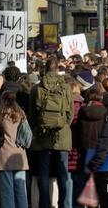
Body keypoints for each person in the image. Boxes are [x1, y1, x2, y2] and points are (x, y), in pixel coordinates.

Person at [28, 56, 73, 208]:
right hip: (62, 135)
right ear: (58, 69)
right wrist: (62, 125)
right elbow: (70, 114)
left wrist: (41, 125)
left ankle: (44, 205)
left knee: (44, 175)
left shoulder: (36, 88)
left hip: (42, 135)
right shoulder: (66, 87)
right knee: (63, 174)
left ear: (45, 69)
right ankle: (64, 204)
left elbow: (32, 114)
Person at [0, 91, 29, 208]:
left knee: (6, 189)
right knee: (21, 187)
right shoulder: (21, 114)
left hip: (4, 154)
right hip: (19, 153)